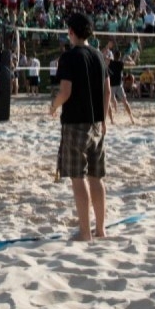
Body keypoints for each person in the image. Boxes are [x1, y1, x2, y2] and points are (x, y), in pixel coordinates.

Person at [49, 12, 110, 242]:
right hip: (96, 123)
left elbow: (66, 92)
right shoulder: (98, 55)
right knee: (96, 177)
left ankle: (85, 232)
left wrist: (54, 106)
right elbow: (108, 92)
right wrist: (103, 120)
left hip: (75, 124)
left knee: (78, 178)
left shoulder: (69, 57)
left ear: (71, 32)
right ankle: (101, 230)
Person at [105, 40, 134, 124]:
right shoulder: (121, 63)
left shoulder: (111, 62)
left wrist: (107, 47)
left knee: (109, 102)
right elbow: (132, 63)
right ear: (120, 56)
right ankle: (131, 118)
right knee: (125, 102)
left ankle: (112, 120)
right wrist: (131, 60)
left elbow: (104, 57)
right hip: (119, 85)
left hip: (112, 85)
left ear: (114, 56)